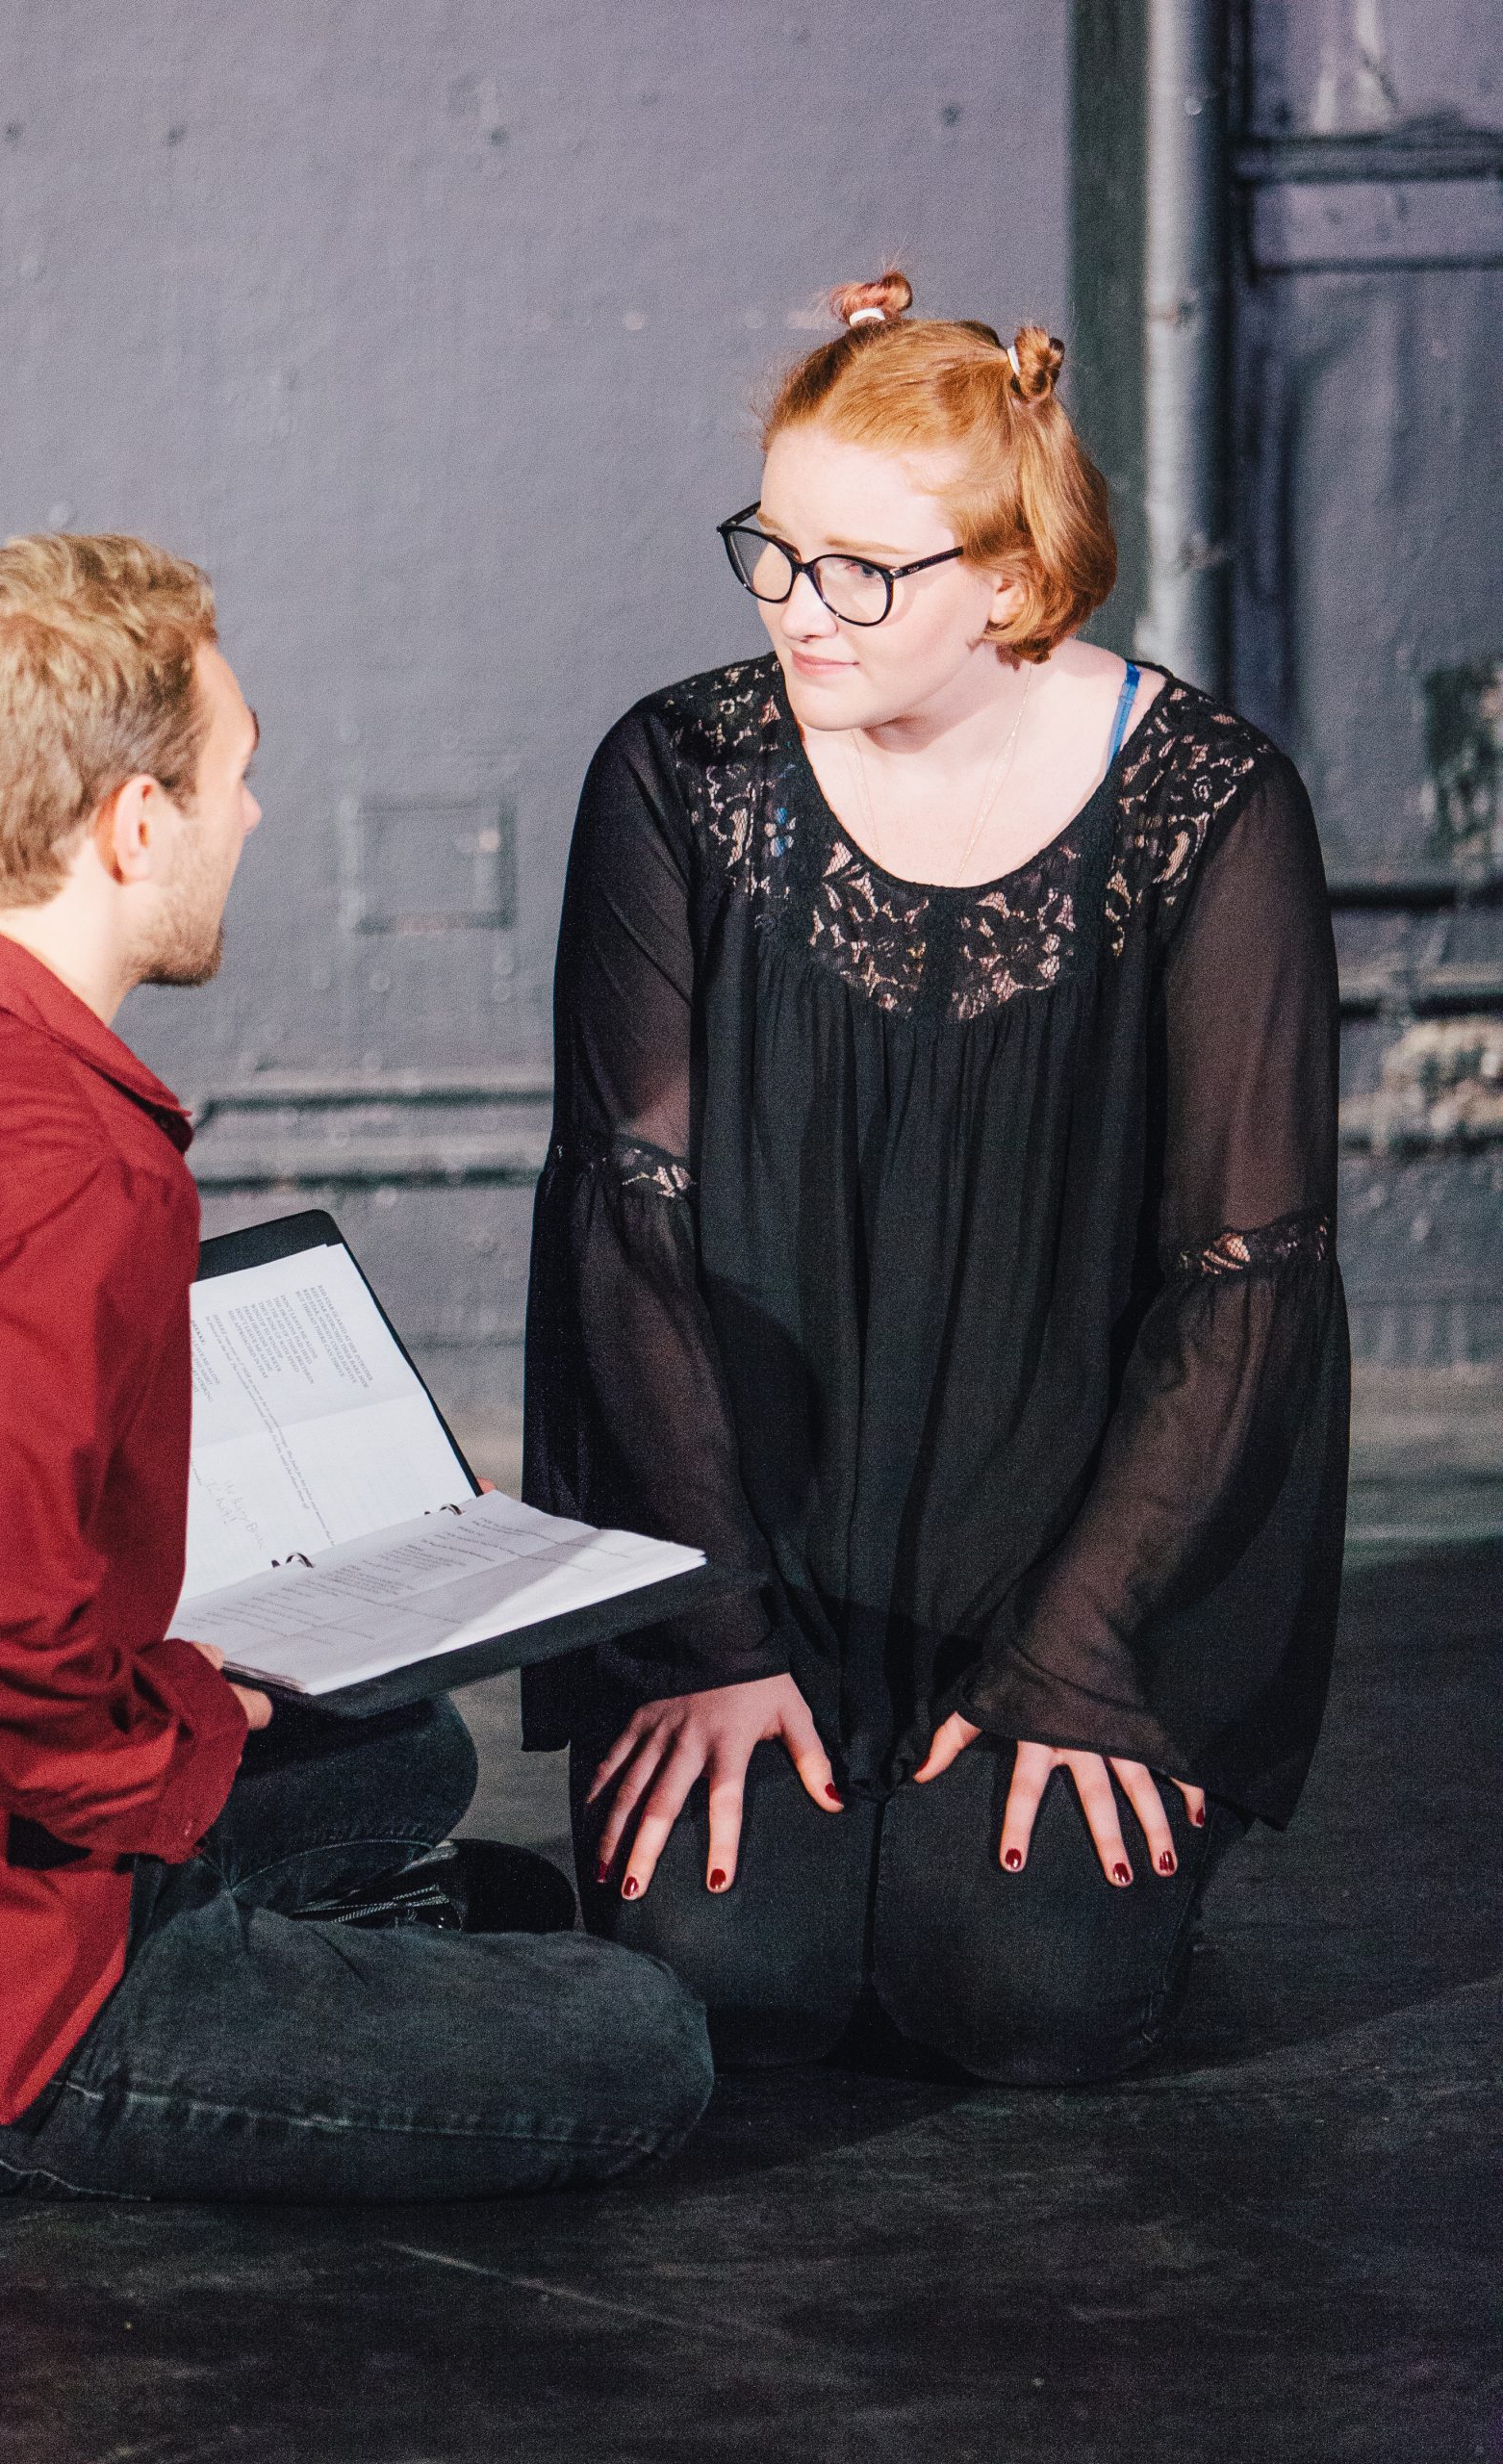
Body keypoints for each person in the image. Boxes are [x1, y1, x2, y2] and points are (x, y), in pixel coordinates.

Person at [0, 531, 712, 2200]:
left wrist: (206, 1681)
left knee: (405, 1753)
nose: (250, 818)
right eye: (234, 775)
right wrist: (152, 1752)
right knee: (642, 2039)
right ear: (136, 823)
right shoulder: (72, 1171)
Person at [522, 272, 1348, 2083]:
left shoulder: (1208, 805)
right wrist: (713, 1638)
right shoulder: (678, 776)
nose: (798, 610)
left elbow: (1242, 1275)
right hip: (752, 1540)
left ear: (1008, 574)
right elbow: (627, 1232)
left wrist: (1082, 1652)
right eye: (774, 549)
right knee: (725, 1969)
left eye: (862, 571)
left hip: (1067, 1553)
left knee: (1029, 1993)